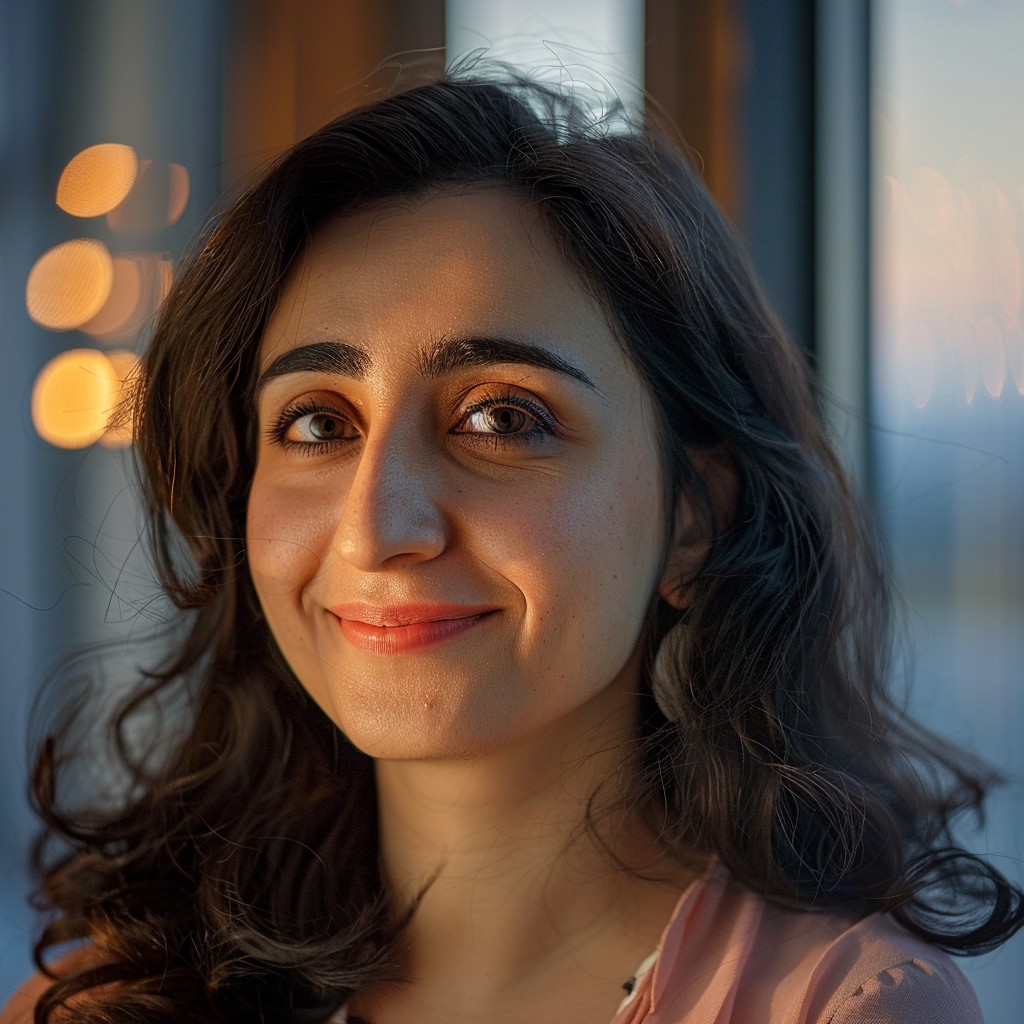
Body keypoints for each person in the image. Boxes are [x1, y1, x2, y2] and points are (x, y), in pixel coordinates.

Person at [3, 69, 1022, 1024]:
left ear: (693, 516)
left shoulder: (847, 1005)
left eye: (500, 418)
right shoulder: (107, 1001)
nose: (376, 527)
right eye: (317, 423)